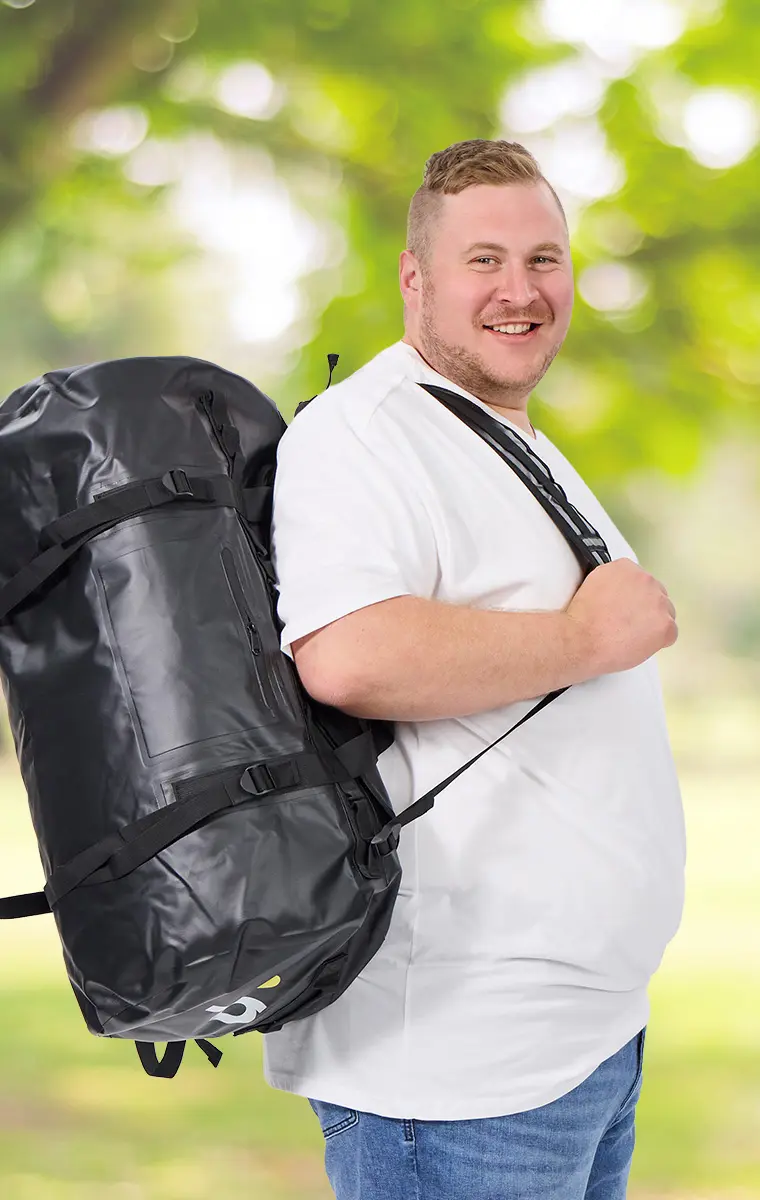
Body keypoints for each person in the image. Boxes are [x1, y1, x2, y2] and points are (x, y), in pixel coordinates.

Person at [265, 139, 686, 1199]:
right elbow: (348, 654)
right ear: (417, 279)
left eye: (544, 260)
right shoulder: (366, 433)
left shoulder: (506, 437)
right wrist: (588, 637)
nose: (520, 289)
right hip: (455, 1074)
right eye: (484, 260)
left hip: (576, 1045)